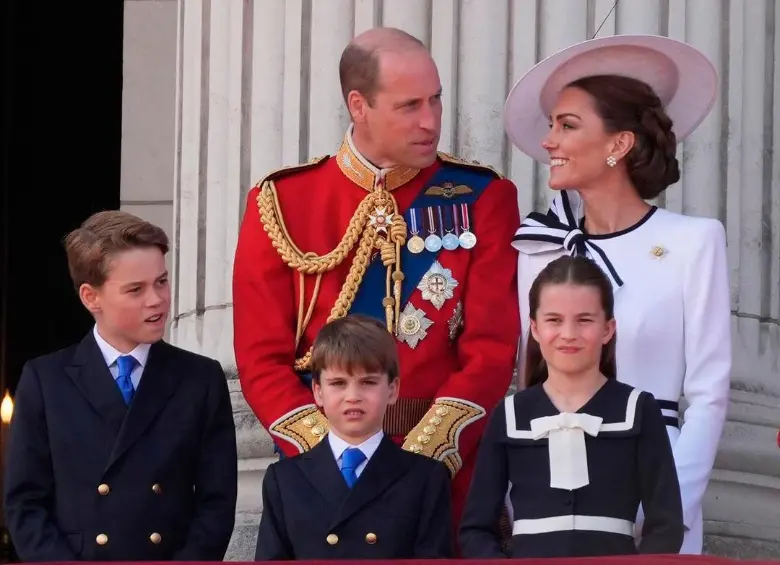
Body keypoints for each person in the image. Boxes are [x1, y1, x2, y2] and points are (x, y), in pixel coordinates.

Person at [232, 26, 520, 529]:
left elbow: (492, 350)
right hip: (324, 481)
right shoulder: (281, 202)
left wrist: (419, 464)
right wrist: (337, 458)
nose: (430, 121)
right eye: (410, 106)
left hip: (444, 480)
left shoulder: (482, 197)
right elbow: (261, 360)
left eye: (436, 100)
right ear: (359, 105)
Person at [506, 35, 731, 554]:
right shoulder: (538, 249)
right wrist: (522, 496)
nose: (548, 142)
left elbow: (709, 393)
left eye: (567, 126)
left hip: (654, 480)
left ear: (618, 144)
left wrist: (667, 507)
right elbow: (526, 384)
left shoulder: (693, 241)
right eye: (551, 126)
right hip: (550, 488)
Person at [3, 211, 238, 562]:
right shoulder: (45, 380)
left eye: (161, 281)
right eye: (136, 289)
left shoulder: (200, 379)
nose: (157, 299)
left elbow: (216, 506)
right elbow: (25, 505)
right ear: (90, 297)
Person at [459, 255, 684, 558]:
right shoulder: (510, 414)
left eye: (584, 320)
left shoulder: (639, 409)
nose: (568, 334)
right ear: (535, 328)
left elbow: (666, 525)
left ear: (608, 328)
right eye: (554, 320)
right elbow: (476, 529)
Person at [254, 314, 453, 560]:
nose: (353, 396)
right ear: (318, 392)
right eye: (338, 383)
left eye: (368, 382)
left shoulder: (425, 478)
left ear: (393, 389)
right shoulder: (284, 480)